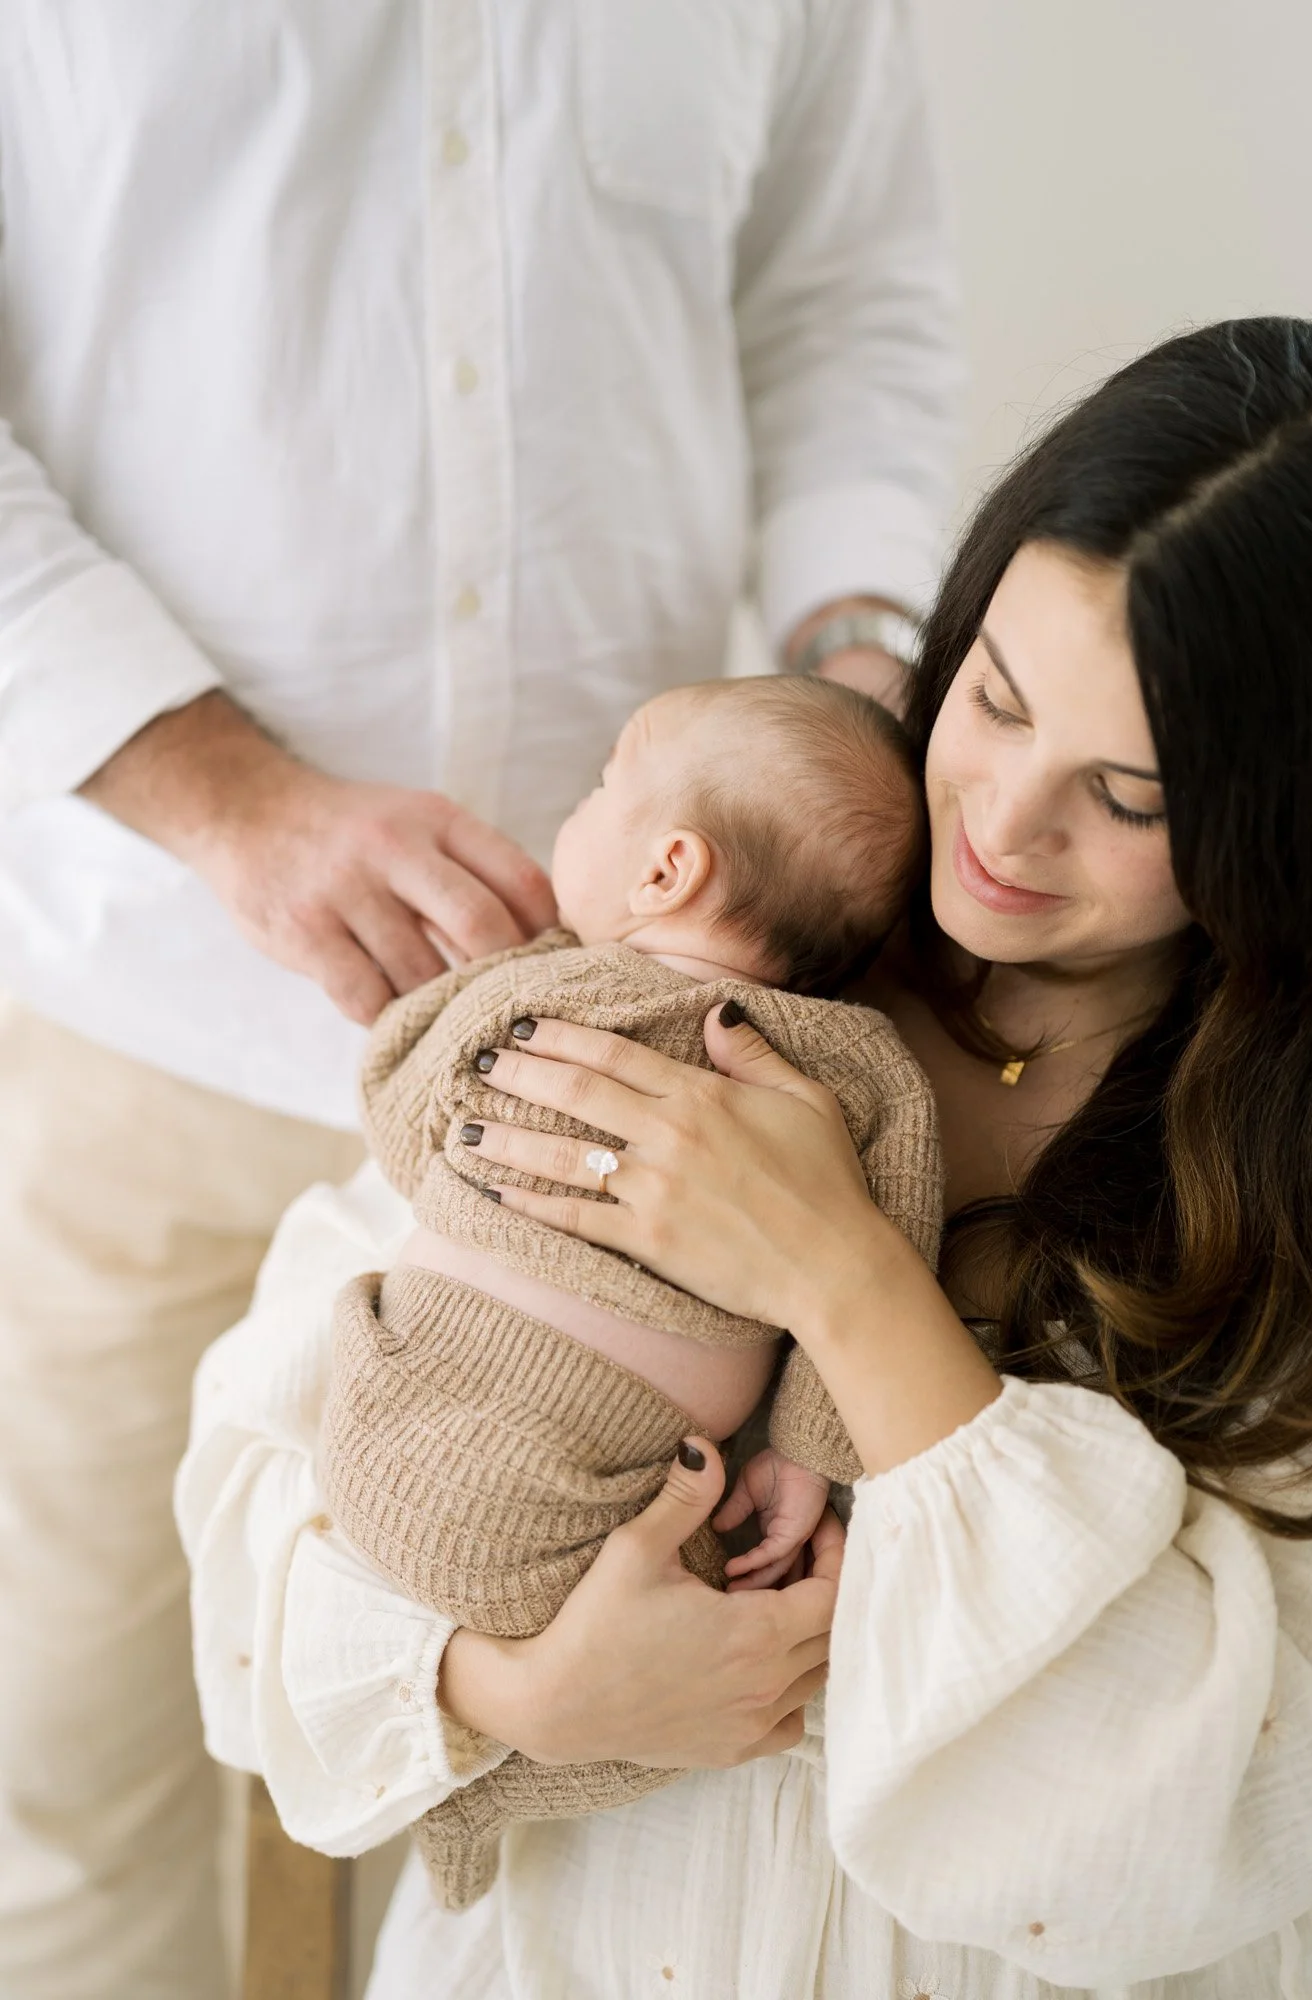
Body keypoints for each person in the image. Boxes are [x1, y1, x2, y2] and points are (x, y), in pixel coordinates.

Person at [180, 316, 1312, 1996]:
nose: (1001, 828)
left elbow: (1213, 1813)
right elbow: (268, 1471)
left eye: (1126, 795)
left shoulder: (1280, 1188)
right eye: (991, 704)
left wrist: (842, 1275)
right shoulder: (736, 944)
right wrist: (518, 1694)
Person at [0, 5, 958, 1989]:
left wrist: (852, 713)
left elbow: (844, 305)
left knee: (602, 1753)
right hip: (140, 1011)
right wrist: (231, 798)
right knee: (62, 1791)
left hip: (672, 1118)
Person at [316, 677, 942, 1909]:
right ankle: (500, 1784)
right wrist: (808, 1453)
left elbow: (396, 1104)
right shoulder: (866, 1070)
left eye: (605, 780)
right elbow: (880, 1256)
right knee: (708, 1670)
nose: (581, 798)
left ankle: (472, 1777)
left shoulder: (545, 993)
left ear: (664, 869)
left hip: (385, 1446)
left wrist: (486, 1013)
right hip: (609, 1513)